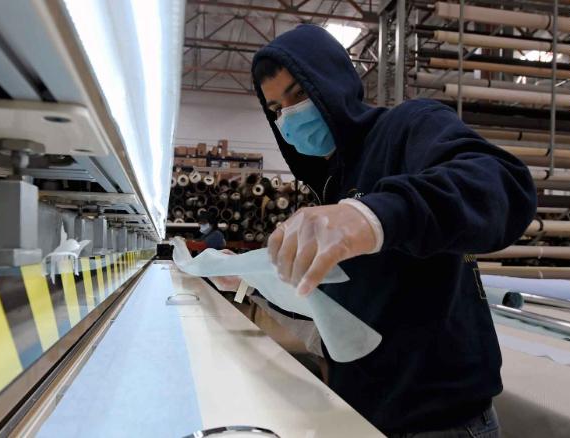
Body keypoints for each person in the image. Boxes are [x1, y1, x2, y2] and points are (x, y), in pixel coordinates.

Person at [230, 25, 536, 437]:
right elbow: (337, 316)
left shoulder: (409, 127)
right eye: (276, 109)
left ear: (333, 83)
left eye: (299, 95)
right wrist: (251, 281)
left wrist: (371, 216)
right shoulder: (328, 190)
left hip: (441, 424)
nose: (289, 116)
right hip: (366, 418)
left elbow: (501, 183)